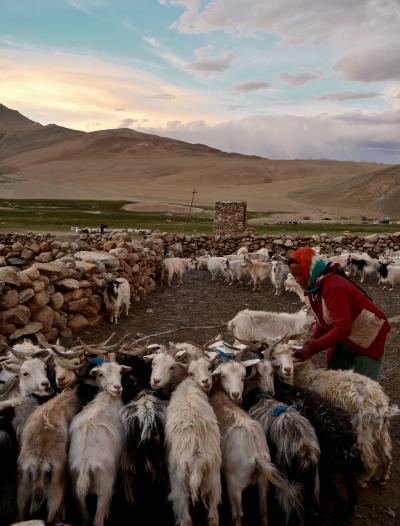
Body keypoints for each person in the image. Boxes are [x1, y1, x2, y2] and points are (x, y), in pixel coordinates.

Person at [288, 247, 390, 380]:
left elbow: (342, 329)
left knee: (364, 387)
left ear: (311, 268)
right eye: (294, 275)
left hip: (368, 334)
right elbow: (324, 318)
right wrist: (313, 339)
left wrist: (312, 347)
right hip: (347, 331)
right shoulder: (316, 286)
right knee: (335, 378)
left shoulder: (333, 287)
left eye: (301, 274)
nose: (297, 280)